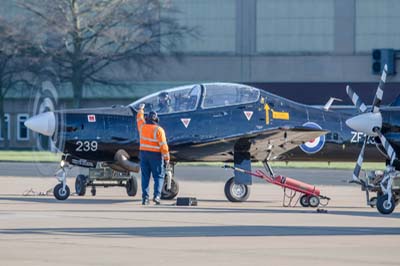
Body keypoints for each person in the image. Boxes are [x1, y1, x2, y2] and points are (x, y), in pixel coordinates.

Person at [136, 104, 170, 205]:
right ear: (157, 119)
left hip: (143, 155)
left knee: (145, 176)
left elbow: (139, 118)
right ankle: (157, 196)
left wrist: (141, 109)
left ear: (147, 118)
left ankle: (145, 199)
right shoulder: (159, 130)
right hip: (155, 156)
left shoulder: (142, 127)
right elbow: (164, 146)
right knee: (159, 176)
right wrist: (167, 158)